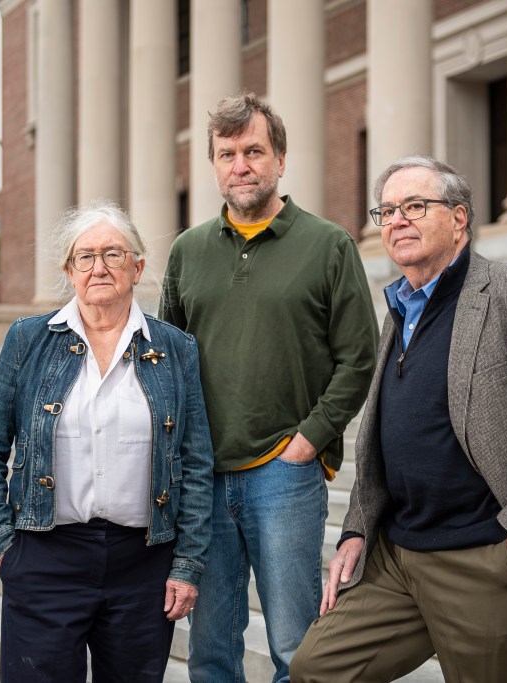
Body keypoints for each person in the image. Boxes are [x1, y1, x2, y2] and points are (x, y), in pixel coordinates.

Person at [290, 157, 507, 683]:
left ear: (459, 219)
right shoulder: (398, 311)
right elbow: (384, 441)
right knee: (316, 669)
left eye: (414, 206)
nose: (396, 220)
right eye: (386, 210)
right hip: (398, 556)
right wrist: (358, 528)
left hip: (484, 554)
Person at [159, 93, 378, 682]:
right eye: (226, 154)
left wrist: (309, 439)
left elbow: (359, 358)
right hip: (204, 477)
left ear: (280, 158)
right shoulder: (187, 251)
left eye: (254, 151)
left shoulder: (328, 245)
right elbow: (168, 364)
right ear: (213, 164)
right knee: (210, 651)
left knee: (295, 646)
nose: (241, 165)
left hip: (284, 470)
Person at [0, 200, 214, 682]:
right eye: (86, 256)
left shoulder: (176, 348)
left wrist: (186, 564)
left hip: (142, 564)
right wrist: (3, 545)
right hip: (44, 558)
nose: (99, 267)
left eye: (114, 255)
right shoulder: (28, 339)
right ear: (69, 269)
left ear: (138, 267)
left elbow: (196, 461)